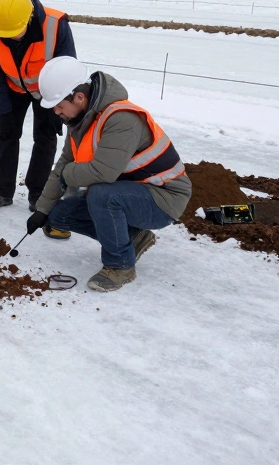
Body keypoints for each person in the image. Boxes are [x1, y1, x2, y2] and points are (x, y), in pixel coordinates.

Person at [25, 57, 191, 293]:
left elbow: (103, 172)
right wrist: (42, 210)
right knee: (59, 214)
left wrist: (68, 174)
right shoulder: (79, 121)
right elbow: (63, 164)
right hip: (130, 193)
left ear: (79, 97)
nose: (56, 111)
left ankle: (120, 265)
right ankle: (134, 238)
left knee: (102, 194)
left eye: (59, 105)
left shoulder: (121, 118)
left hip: (163, 197)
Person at [0, 0, 76, 213]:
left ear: (29, 18)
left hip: (47, 90)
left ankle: (38, 193)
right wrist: (3, 109)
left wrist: (58, 105)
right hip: (11, 87)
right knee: (6, 134)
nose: (11, 37)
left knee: (46, 136)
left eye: (16, 31)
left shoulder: (55, 25)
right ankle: (1, 191)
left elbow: (66, 69)